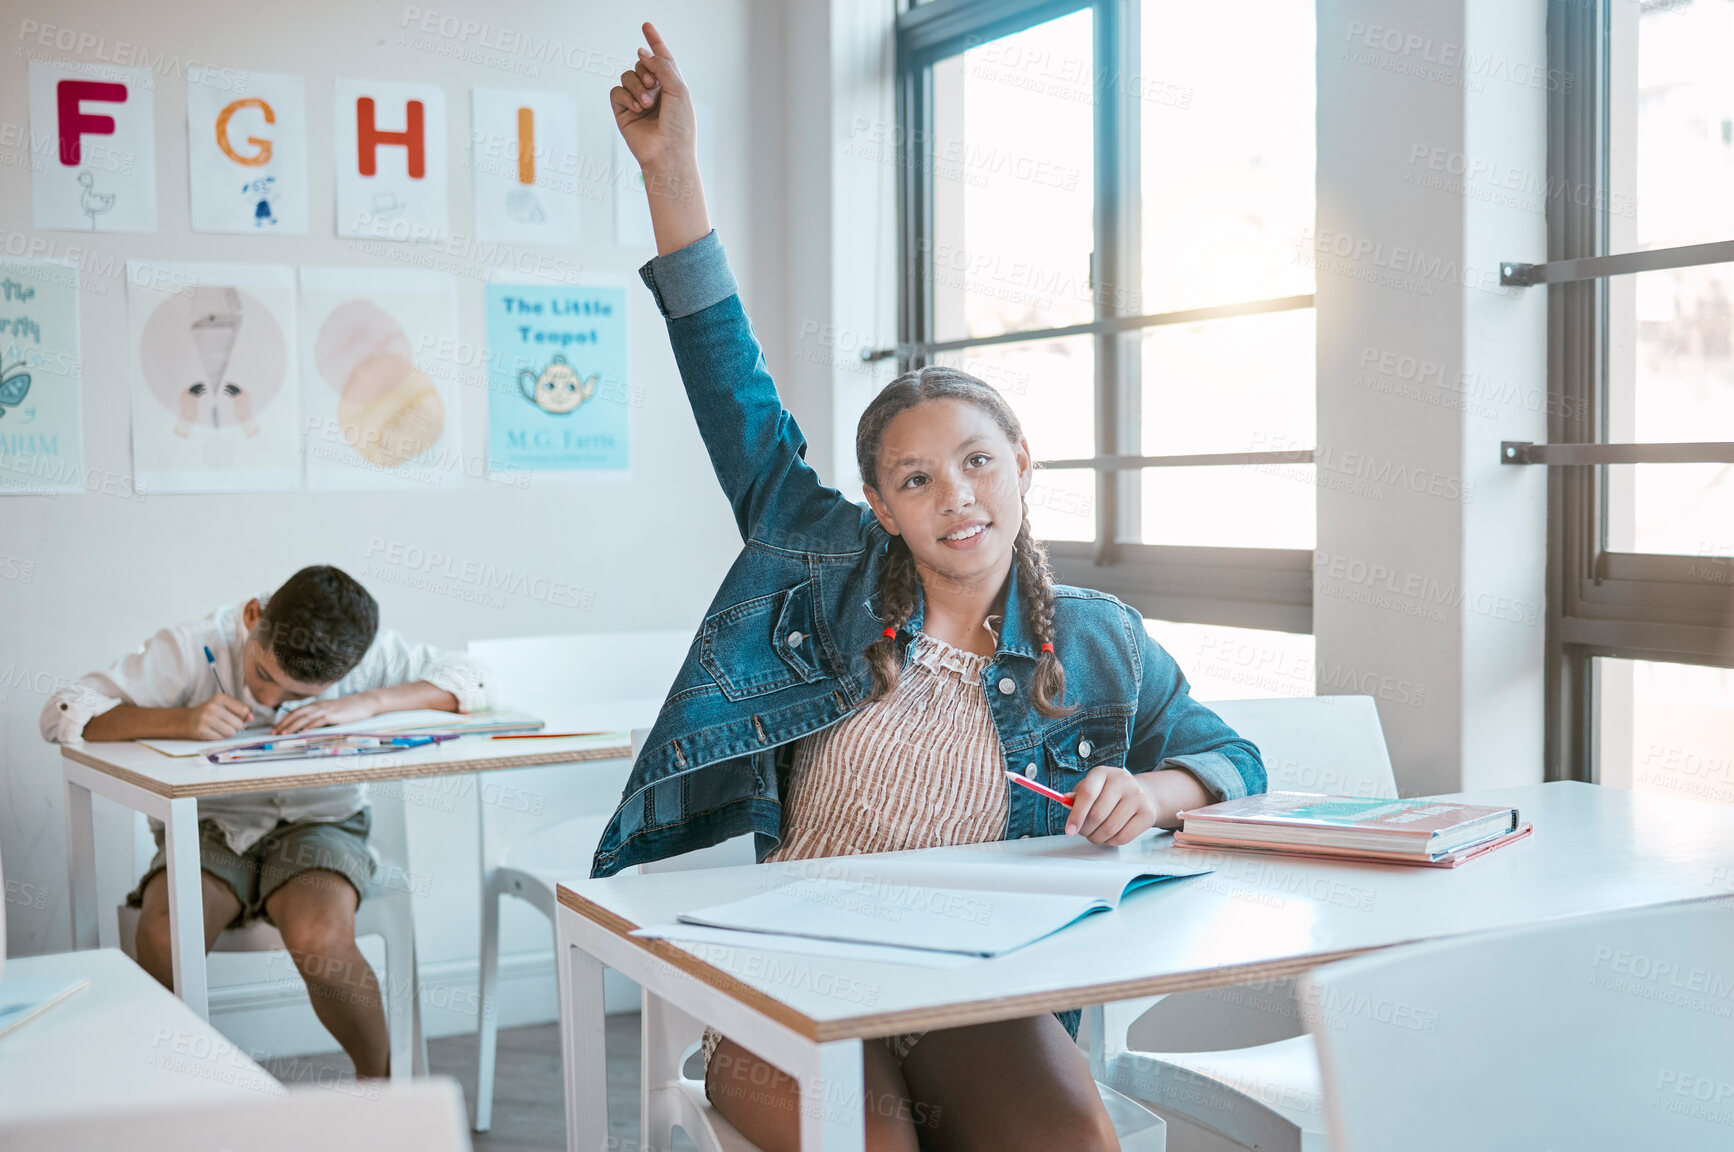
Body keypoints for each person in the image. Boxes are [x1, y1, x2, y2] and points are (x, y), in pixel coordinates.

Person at [598, 23, 1265, 1151]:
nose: (955, 496)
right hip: (790, 971)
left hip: (970, 977)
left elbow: (1233, 760)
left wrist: (1152, 797)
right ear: (881, 504)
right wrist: (673, 171)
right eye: (917, 478)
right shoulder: (824, 565)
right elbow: (728, 378)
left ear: (1021, 470)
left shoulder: (1099, 642)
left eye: (976, 462)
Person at [41, 564, 493, 1078]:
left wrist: (367, 702)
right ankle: (174, 1096)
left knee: (322, 940)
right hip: (211, 829)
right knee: (164, 935)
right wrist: (180, 720)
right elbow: (61, 714)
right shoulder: (190, 648)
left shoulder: (367, 657)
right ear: (254, 617)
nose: (271, 703)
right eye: (264, 677)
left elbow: (476, 678)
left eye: (299, 696)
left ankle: (382, 1092)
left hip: (321, 827)